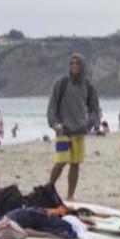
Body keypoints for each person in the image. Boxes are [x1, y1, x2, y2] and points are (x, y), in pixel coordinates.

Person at [46, 53, 102, 200]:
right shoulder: (62, 83)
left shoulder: (88, 86)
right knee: (61, 160)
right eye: (72, 63)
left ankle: (70, 196)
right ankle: (49, 189)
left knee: (75, 164)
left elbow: (95, 109)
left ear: (82, 65)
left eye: (77, 63)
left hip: (79, 131)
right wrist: (53, 123)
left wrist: (90, 123)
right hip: (63, 130)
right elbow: (52, 106)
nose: (74, 66)